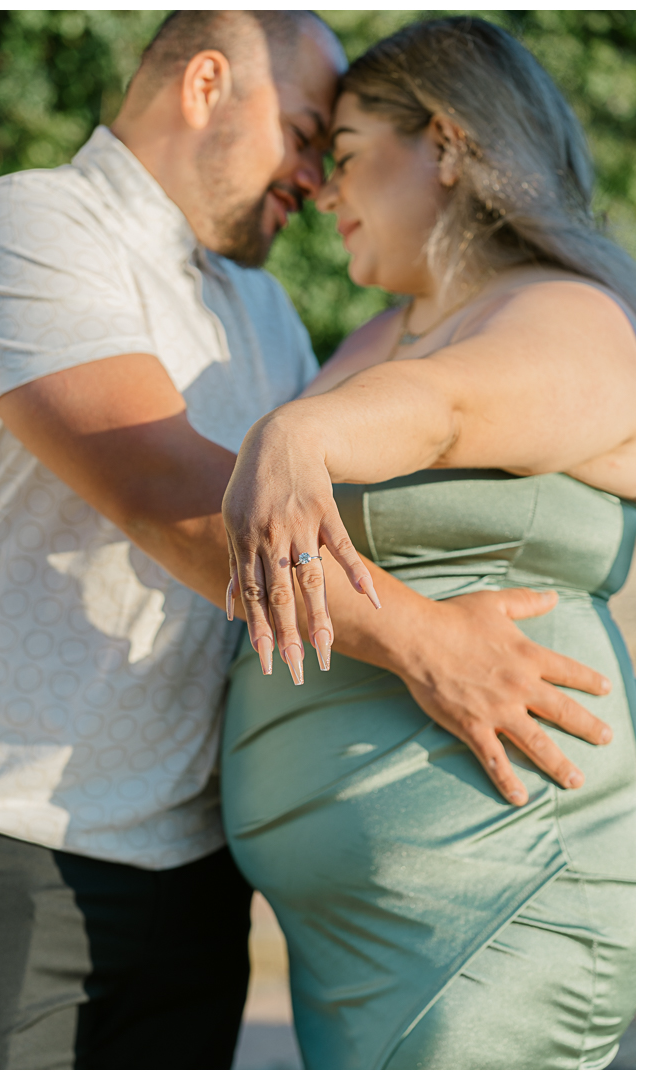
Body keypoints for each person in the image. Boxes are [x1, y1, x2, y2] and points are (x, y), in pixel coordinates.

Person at [0, 9, 616, 1071]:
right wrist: (430, 644)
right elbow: (169, 494)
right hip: (12, 836)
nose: (315, 180)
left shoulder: (268, 317)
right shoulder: (30, 222)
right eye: (307, 134)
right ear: (208, 84)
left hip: (199, 887)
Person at [221, 17, 635, 1071]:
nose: (320, 191)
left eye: (348, 154)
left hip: (499, 894)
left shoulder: (567, 312)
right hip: (355, 936)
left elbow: (444, 412)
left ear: (446, 145)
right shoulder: (380, 331)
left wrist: (299, 430)